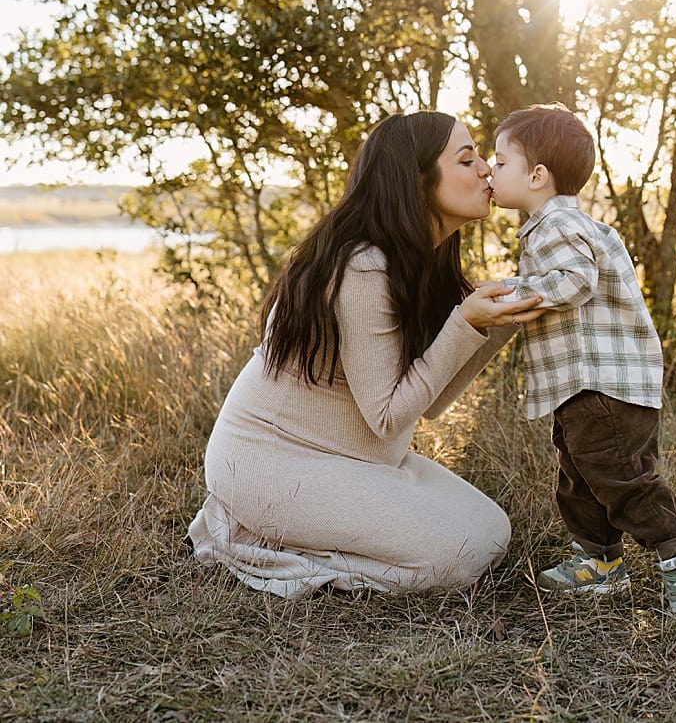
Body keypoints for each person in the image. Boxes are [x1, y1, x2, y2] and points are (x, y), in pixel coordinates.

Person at [187, 111, 545, 597]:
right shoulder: (361, 266)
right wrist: (465, 323)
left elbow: (431, 402)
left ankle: (293, 533)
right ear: (417, 181)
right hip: (271, 462)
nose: (486, 169)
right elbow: (387, 416)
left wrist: (496, 324)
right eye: (468, 159)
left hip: (358, 459)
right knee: (454, 561)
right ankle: (254, 538)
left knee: (491, 532)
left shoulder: (423, 262)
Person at [490, 103, 676, 615]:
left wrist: (513, 293)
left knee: (622, 480)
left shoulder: (556, 225)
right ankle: (598, 562)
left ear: (538, 175)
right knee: (581, 477)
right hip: (583, 386)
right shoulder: (562, 223)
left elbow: (574, 281)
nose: (490, 170)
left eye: (501, 162)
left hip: (602, 385)